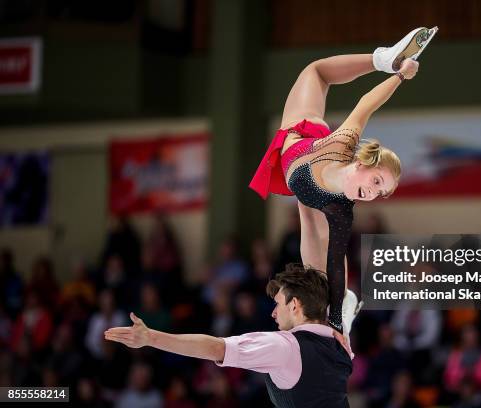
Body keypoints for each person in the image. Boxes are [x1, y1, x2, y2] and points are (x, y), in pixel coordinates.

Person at [249, 27, 437, 335]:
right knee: (316, 72)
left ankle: (337, 308)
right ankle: (382, 57)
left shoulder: (342, 209)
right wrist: (400, 75)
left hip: (306, 185)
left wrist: (336, 323)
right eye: (377, 181)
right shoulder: (343, 143)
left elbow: (337, 262)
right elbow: (367, 103)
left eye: (382, 192)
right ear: (363, 163)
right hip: (304, 133)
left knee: (316, 245)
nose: (373, 193)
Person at [105, 264, 353, 408]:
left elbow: (215, 347)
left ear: (295, 306)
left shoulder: (285, 346)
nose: (274, 313)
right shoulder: (341, 344)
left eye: (277, 303)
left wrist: (151, 338)